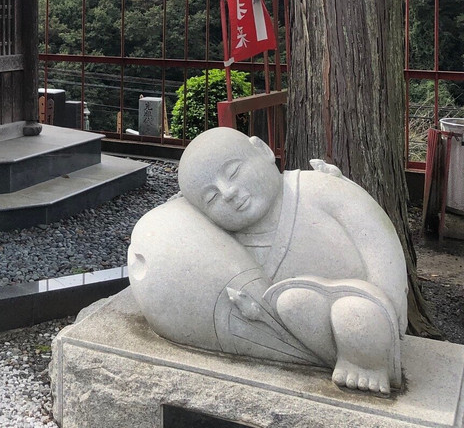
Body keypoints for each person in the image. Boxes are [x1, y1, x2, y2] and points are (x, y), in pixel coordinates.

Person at [128, 128, 407, 395]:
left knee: (354, 315)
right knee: (293, 303)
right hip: (305, 321)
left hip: (365, 306)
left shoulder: (318, 188)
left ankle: (368, 354)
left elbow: (376, 237)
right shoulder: (229, 245)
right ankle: (349, 357)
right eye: (211, 197)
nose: (228, 192)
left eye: (233, 171)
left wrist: (392, 306)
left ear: (261, 149)